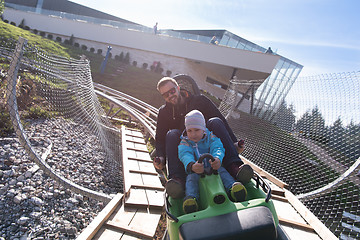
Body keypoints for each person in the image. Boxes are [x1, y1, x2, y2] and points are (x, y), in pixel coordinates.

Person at [154, 77, 253, 199]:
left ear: (178, 88)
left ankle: (234, 167)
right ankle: (177, 180)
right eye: (165, 95)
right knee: (171, 134)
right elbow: (160, 138)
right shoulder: (164, 112)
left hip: (207, 144)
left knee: (215, 121)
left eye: (172, 91)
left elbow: (220, 119)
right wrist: (160, 156)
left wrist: (234, 142)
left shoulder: (200, 101)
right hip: (185, 151)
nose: (170, 96)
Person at [179, 110, 247, 214]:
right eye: (189, 130)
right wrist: (192, 165)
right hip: (196, 170)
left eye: (197, 130)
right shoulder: (185, 142)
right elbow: (185, 154)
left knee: (223, 173)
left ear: (203, 129)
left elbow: (218, 147)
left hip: (213, 167)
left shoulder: (210, 137)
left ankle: (233, 188)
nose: (193, 134)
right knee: (191, 180)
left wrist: (217, 158)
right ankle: (191, 199)